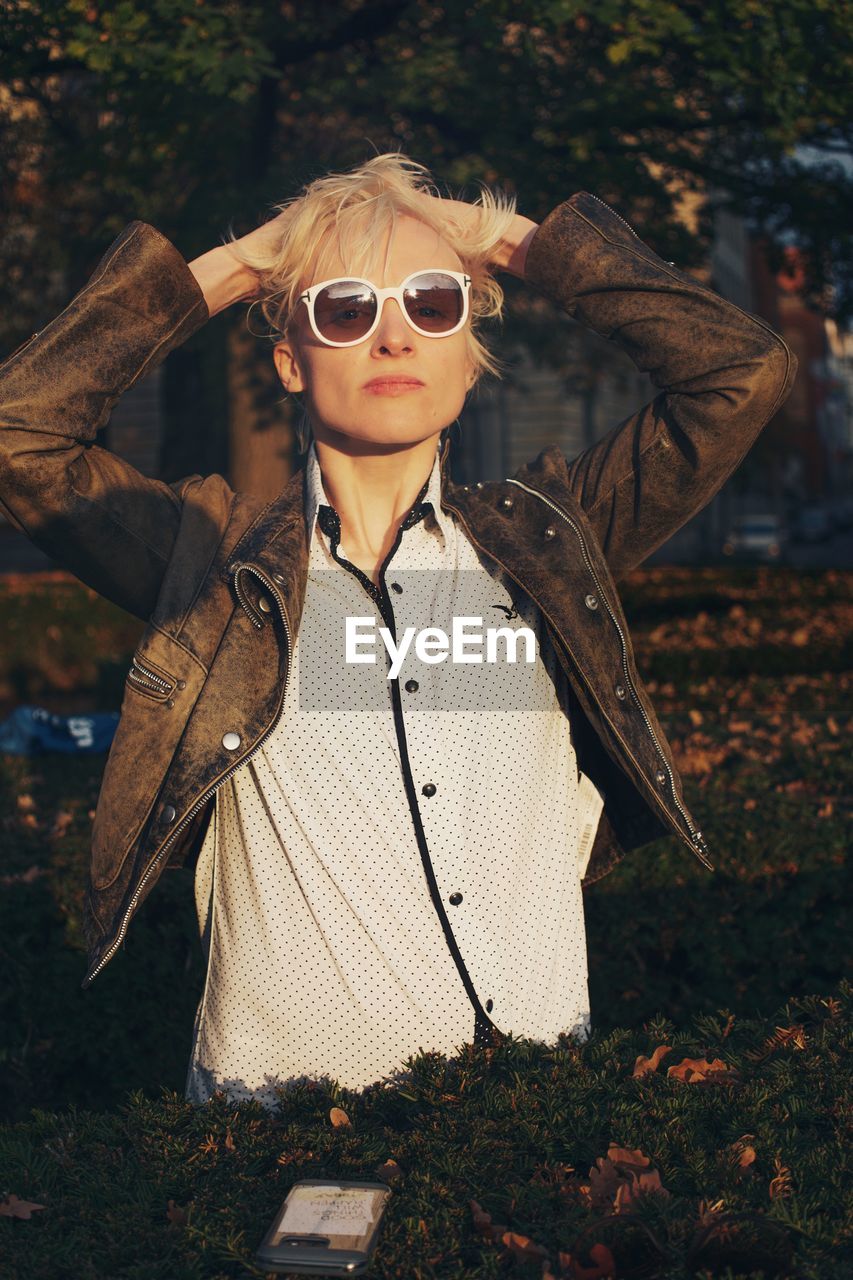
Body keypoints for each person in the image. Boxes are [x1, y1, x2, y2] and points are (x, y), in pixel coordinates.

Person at [0, 153, 797, 1108]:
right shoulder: (211, 560)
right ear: (290, 359)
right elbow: (21, 431)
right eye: (344, 307)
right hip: (272, 1127)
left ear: (469, 360)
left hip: (527, 1124)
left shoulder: (549, 541)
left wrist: (521, 243)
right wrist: (249, 263)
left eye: (430, 303)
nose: (391, 337)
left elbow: (741, 371)